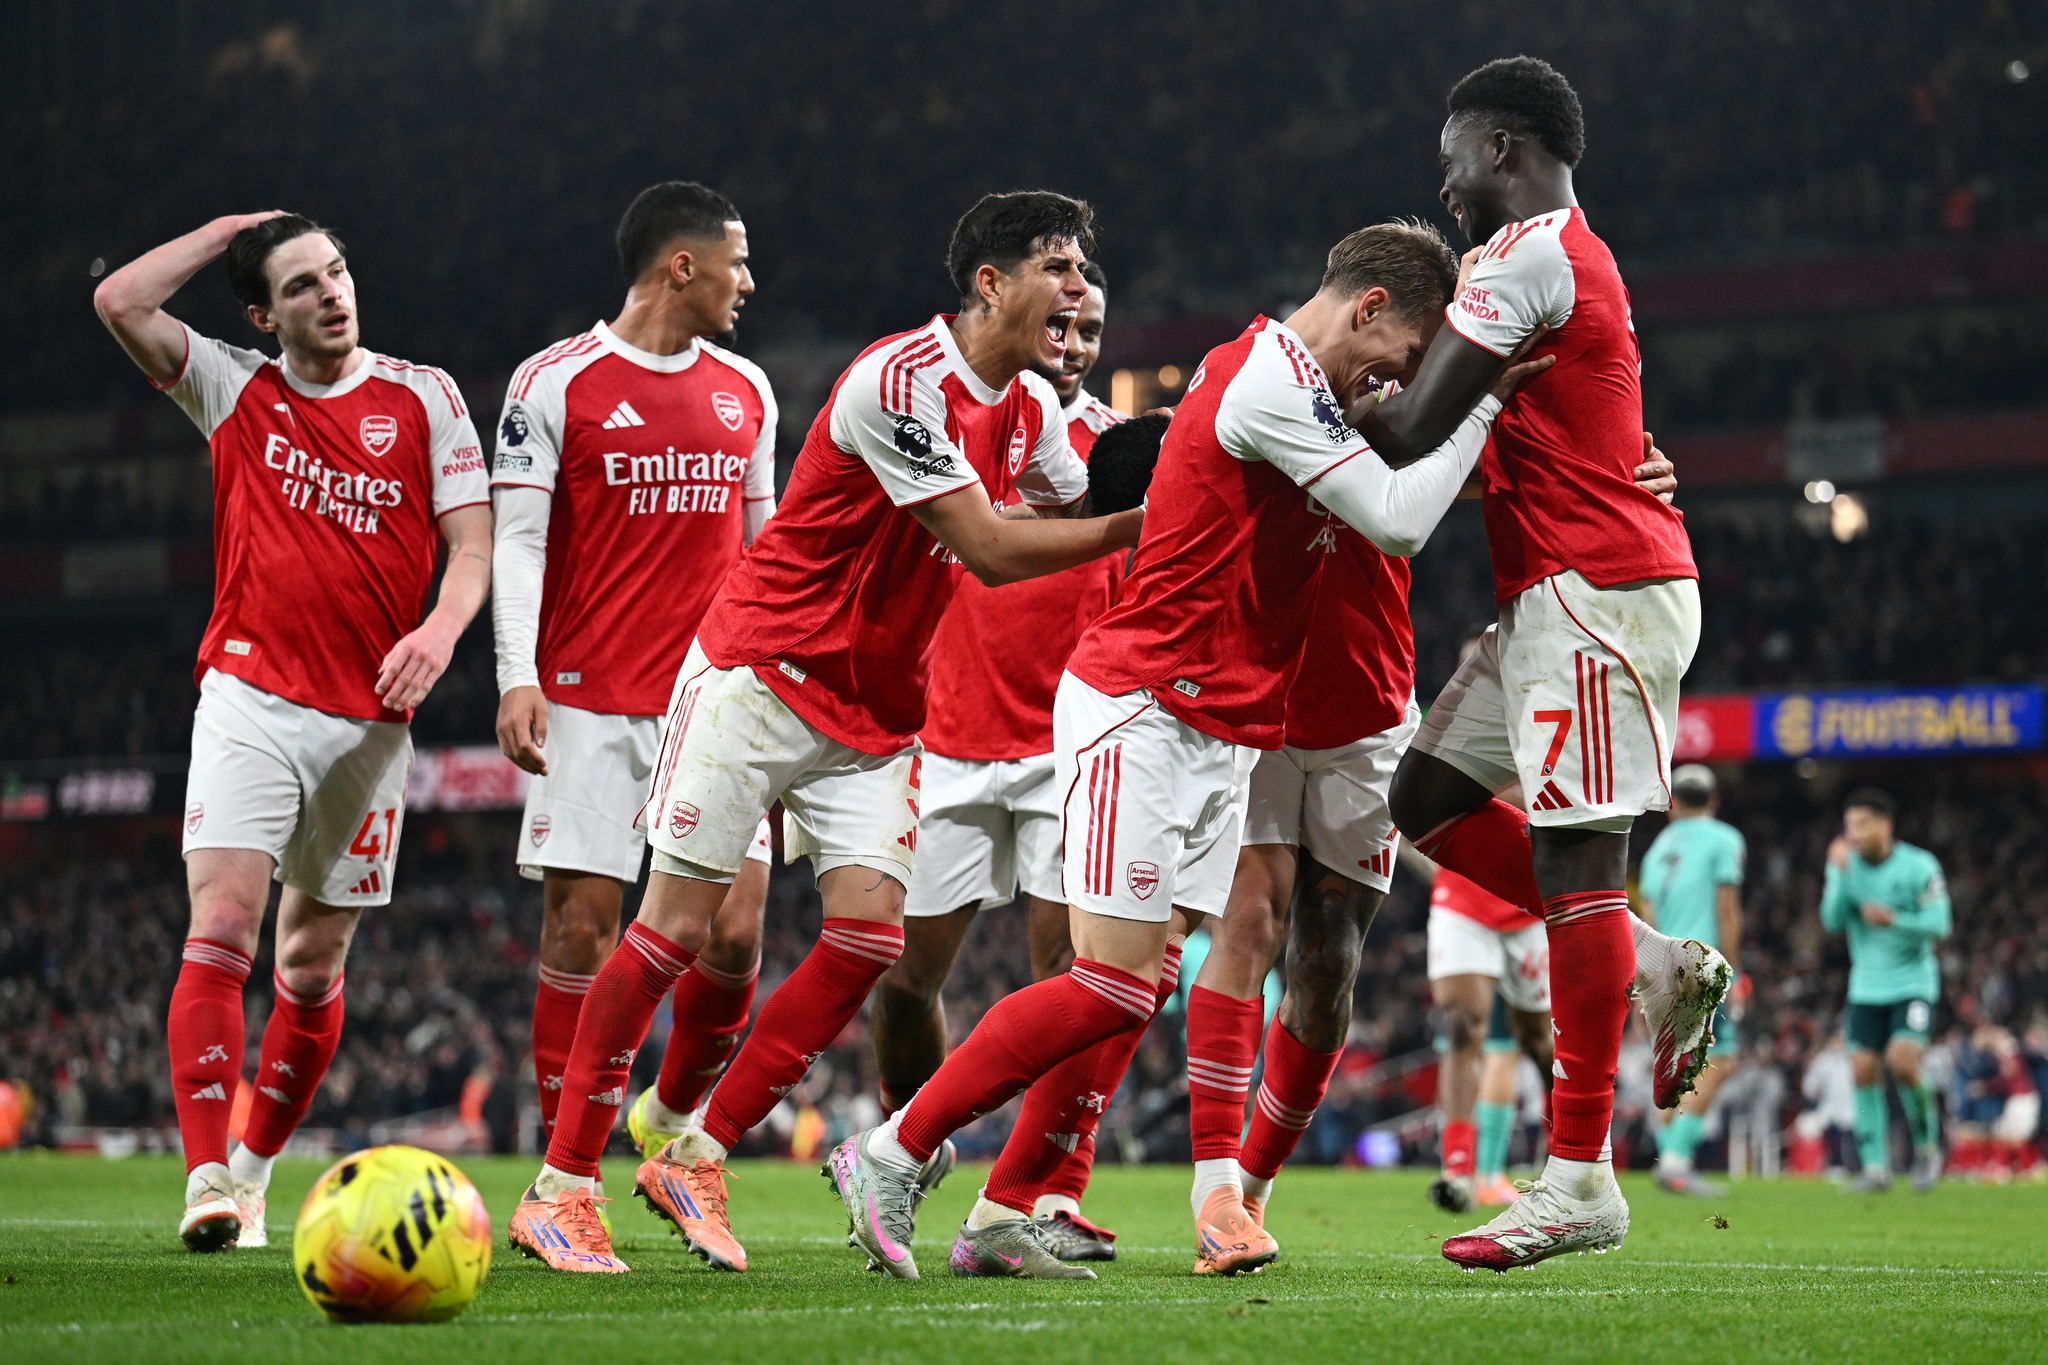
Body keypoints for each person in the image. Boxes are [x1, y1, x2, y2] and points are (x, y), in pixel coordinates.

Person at [827, 218, 1548, 1281]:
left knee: (1144, 981)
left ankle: (1000, 1214)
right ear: (1369, 309)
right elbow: (1395, 520)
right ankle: (889, 1151)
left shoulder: (1303, 385)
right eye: (1408, 356)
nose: (1409, 383)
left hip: (1219, 727)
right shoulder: (1263, 381)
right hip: (1144, 704)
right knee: (1112, 984)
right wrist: (1482, 398)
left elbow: (1409, 459)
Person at [505, 190, 1144, 1274]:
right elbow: (990, 549)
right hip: (760, 675)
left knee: (865, 942)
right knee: (669, 933)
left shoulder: (1026, 408)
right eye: (1056, 265)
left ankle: (695, 1151)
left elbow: (1080, 494)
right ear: (989, 283)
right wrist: (1144, 520)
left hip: (878, 713)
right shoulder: (897, 384)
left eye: (1083, 268)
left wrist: (1174, 477)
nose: (1078, 287)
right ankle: (560, 1186)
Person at [1365, 56, 1724, 1270]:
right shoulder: (1544, 262)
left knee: (1574, 860)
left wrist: (1267, 405)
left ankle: (1579, 1178)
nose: (1447, 180)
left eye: (1455, 155)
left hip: (1595, 594)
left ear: (1505, 148)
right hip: (1550, 597)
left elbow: (1412, 430)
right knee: (1418, 797)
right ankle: (1650, 959)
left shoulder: (1530, 254)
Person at [92, 213, 491, 1251]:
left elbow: (471, 544)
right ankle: (206, 1178)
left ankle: (259, 1167)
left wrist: (444, 629)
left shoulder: (424, 396)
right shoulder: (234, 388)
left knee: (309, 968)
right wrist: (229, 229)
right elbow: (119, 301)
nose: (333, 292)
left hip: (368, 728)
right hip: (249, 698)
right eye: (303, 283)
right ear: (264, 315)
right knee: (222, 924)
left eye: (339, 270)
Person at [871, 259, 1163, 1264]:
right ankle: (900, 1154)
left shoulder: (1114, 456)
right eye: (1062, 324)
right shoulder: (956, 422)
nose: (1074, 345)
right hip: (945, 738)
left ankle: (1042, 1194)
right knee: (903, 979)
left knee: (1073, 976)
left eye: (1090, 331)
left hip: (1061, 745)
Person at [487, 182, 778, 1166]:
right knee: (581, 931)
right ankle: (566, 1170)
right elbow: (518, 543)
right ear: (680, 266)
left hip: (716, 705)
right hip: (585, 698)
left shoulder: (749, 391)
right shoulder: (552, 381)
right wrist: (514, 675)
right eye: (736, 262)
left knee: (734, 936)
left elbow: (762, 553)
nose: (750, 281)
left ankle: (668, 1124)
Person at [1822, 788, 1952, 1193]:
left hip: (1912, 982)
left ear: (1885, 825)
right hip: (1865, 986)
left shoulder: (1919, 865)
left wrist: (1895, 920)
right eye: (1849, 826)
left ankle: (1928, 1150)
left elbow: (1940, 924)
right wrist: (1840, 875)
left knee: (1903, 1062)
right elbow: (1830, 919)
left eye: (1862, 824)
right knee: (1862, 1070)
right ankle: (1875, 1169)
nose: (1854, 834)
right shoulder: (1844, 865)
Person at [1636, 763, 1746, 1195]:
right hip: (1705, 963)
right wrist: (1733, 973)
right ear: (1714, 800)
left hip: (1662, 964)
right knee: (1723, 1062)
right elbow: (1727, 910)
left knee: (1675, 1069)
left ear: (1672, 804)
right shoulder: (1726, 840)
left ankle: (1669, 1157)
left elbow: (1647, 918)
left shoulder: (1656, 850)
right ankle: (1677, 1161)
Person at [1423, 859, 1550, 1212]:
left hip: (1528, 908)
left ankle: (1562, 1154)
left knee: (1537, 1041)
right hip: (1462, 901)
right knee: (1464, 1031)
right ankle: (1462, 1168)